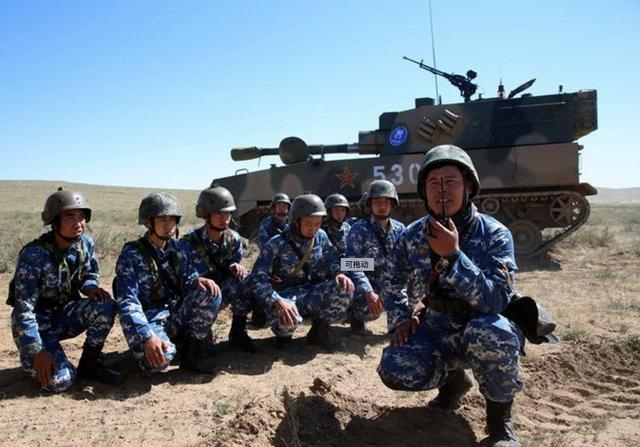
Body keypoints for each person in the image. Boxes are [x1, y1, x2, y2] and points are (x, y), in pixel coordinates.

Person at [377, 145, 522, 447]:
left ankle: (500, 424)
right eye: (433, 183)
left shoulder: (494, 233)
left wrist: (454, 256)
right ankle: (454, 383)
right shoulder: (401, 233)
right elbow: (385, 273)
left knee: (492, 332)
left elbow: (497, 300)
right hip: (437, 326)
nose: (441, 189)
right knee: (394, 366)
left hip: (481, 326)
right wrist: (400, 318)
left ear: (468, 186)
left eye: (450, 181)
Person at [9, 188, 123, 392]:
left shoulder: (85, 244)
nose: (78, 223)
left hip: (64, 313)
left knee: (106, 306)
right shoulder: (33, 255)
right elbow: (23, 310)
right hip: (37, 325)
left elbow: (88, 274)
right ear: (54, 221)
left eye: (81, 217)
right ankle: (38, 357)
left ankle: (90, 364)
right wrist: (37, 350)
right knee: (60, 381)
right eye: (70, 217)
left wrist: (90, 288)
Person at [114, 192, 222, 374]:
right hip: (149, 319)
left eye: (172, 219)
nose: (169, 225)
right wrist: (147, 336)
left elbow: (188, 279)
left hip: (173, 312)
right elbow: (127, 301)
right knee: (161, 360)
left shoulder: (178, 248)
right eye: (162, 220)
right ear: (148, 223)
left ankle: (189, 355)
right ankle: (162, 345)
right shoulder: (131, 255)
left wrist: (197, 280)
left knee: (210, 291)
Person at [249, 194, 357, 349]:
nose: (313, 229)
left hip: (310, 290)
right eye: (308, 224)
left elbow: (333, 259)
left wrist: (339, 273)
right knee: (290, 315)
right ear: (296, 220)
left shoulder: (324, 235)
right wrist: (276, 301)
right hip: (284, 295)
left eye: (318, 224)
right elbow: (257, 279)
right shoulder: (276, 243)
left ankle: (319, 331)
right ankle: (283, 338)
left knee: (345, 288)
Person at [179, 185, 256, 353]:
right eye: (219, 213)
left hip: (218, 292)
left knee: (245, 280)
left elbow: (233, 261)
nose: (225, 218)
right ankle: (195, 339)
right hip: (195, 300)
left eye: (228, 213)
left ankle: (238, 332)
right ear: (206, 215)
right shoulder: (188, 244)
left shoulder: (233, 239)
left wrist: (234, 266)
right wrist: (197, 281)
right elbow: (183, 280)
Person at [346, 180, 405, 334]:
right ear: (370, 205)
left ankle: (398, 324)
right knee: (368, 309)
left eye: (386, 202)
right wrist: (368, 291)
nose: (382, 206)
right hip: (369, 282)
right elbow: (351, 264)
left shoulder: (400, 229)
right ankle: (356, 318)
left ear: (392, 204)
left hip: (392, 281)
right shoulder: (359, 229)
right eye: (377, 202)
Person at [321, 193, 351, 257]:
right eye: (336, 210)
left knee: (368, 262)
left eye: (342, 210)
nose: (340, 213)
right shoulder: (322, 230)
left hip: (346, 261)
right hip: (331, 261)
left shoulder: (347, 227)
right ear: (329, 212)